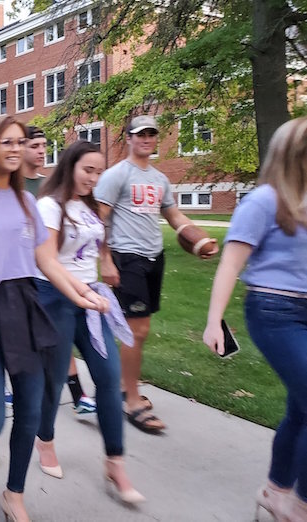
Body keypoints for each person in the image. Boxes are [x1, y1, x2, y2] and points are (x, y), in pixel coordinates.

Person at [0, 116, 107, 520]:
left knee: (31, 412)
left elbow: (45, 259)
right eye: (6, 142)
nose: (15, 149)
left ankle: (13, 494)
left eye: (20, 142)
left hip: (24, 304)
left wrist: (81, 291)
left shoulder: (26, 201)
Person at [203, 117, 307, 522]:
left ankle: (276, 491)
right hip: (273, 312)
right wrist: (215, 322)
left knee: (301, 409)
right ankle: (299, 505)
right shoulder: (263, 202)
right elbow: (229, 266)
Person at [33, 140, 144, 505]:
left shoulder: (91, 206)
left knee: (109, 379)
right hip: (55, 298)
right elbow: (47, 259)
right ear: (70, 166)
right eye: (88, 170)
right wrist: (82, 290)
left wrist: (106, 265)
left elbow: (97, 242)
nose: (93, 178)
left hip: (90, 300)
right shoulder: (49, 206)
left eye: (99, 172)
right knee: (52, 381)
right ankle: (45, 440)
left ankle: (116, 461)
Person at [95, 115, 217, 433]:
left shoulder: (160, 179)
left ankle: (123, 386)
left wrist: (199, 238)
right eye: (141, 134)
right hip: (127, 257)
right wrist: (105, 260)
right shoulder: (116, 175)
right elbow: (100, 219)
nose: (147, 138)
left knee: (140, 329)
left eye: (152, 134)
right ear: (130, 138)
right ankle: (131, 401)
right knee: (137, 330)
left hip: (154, 257)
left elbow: (173, 214)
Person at [22, 126, 47, 197]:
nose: (41, 151)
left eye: (44, 146)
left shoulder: (50, 184)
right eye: (34, 146)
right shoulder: (9, 184)